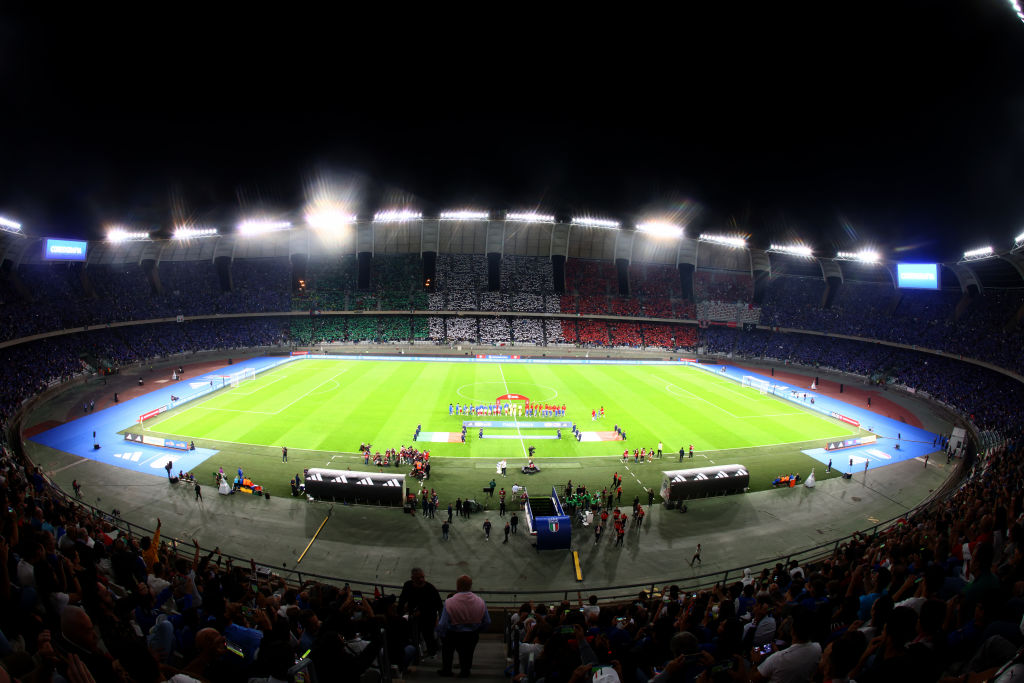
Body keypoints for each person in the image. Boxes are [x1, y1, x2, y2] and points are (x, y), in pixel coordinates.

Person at [435, 575, 490, 678]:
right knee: (468, 653)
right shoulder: (480, 601)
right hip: (472, 634)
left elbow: (442, 624)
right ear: (470, 586)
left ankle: (447, 670)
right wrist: (478, 630)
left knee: (448, 651)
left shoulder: (449, 602)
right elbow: (487, 621)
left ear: (457, 586)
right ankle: (465, 671)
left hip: (453, 634)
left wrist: (442, 635)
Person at [398, 568, 444, 659]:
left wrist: (439, 620)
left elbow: (438, 605)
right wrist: (399, 614)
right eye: (418, 578)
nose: (421, 579)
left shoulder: (430, 588)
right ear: (412, 578)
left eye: (422, 577)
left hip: (429, 617)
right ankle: (417, 654)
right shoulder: (408, 586)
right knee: (414, 636)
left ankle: (432, 652)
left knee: (428, 635)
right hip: (414, 616)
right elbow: (402, 600)